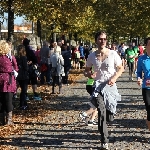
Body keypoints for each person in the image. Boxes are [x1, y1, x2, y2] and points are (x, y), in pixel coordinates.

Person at [84, 31, 123, 149]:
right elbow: (86, 70)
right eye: (100, 39)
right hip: (98, 87)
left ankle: (110, 115)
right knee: (101, 112)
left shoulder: (113, 54)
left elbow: (121, 68)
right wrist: (89, 75)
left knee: (109, 116)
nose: (102, 41)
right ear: (96, 40)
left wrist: (114, 78)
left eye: (104, 39)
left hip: (110, 87)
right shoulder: (91, 56)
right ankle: (104, 141)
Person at [0, 40, 18, 125]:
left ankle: (2, 119)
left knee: (2, 100)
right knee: (8, 100)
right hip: (8, 80)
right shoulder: (10, 57)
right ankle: (9, 120)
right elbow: (16, 67)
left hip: (1, 79)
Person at [137, 37, 150, 131]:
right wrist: (139, 79)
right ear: (146, 46)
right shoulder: (142, 59)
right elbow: (138, 72)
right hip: (147, 88)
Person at [16, 45, 29, 110]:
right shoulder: (24, 58)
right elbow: (26, 68)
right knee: (24, 90)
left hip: (19, 75)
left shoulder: (16, 58)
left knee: (23, 90)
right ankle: (22, 104)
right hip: (24, 75)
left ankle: (25, 103)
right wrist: (28, 65)